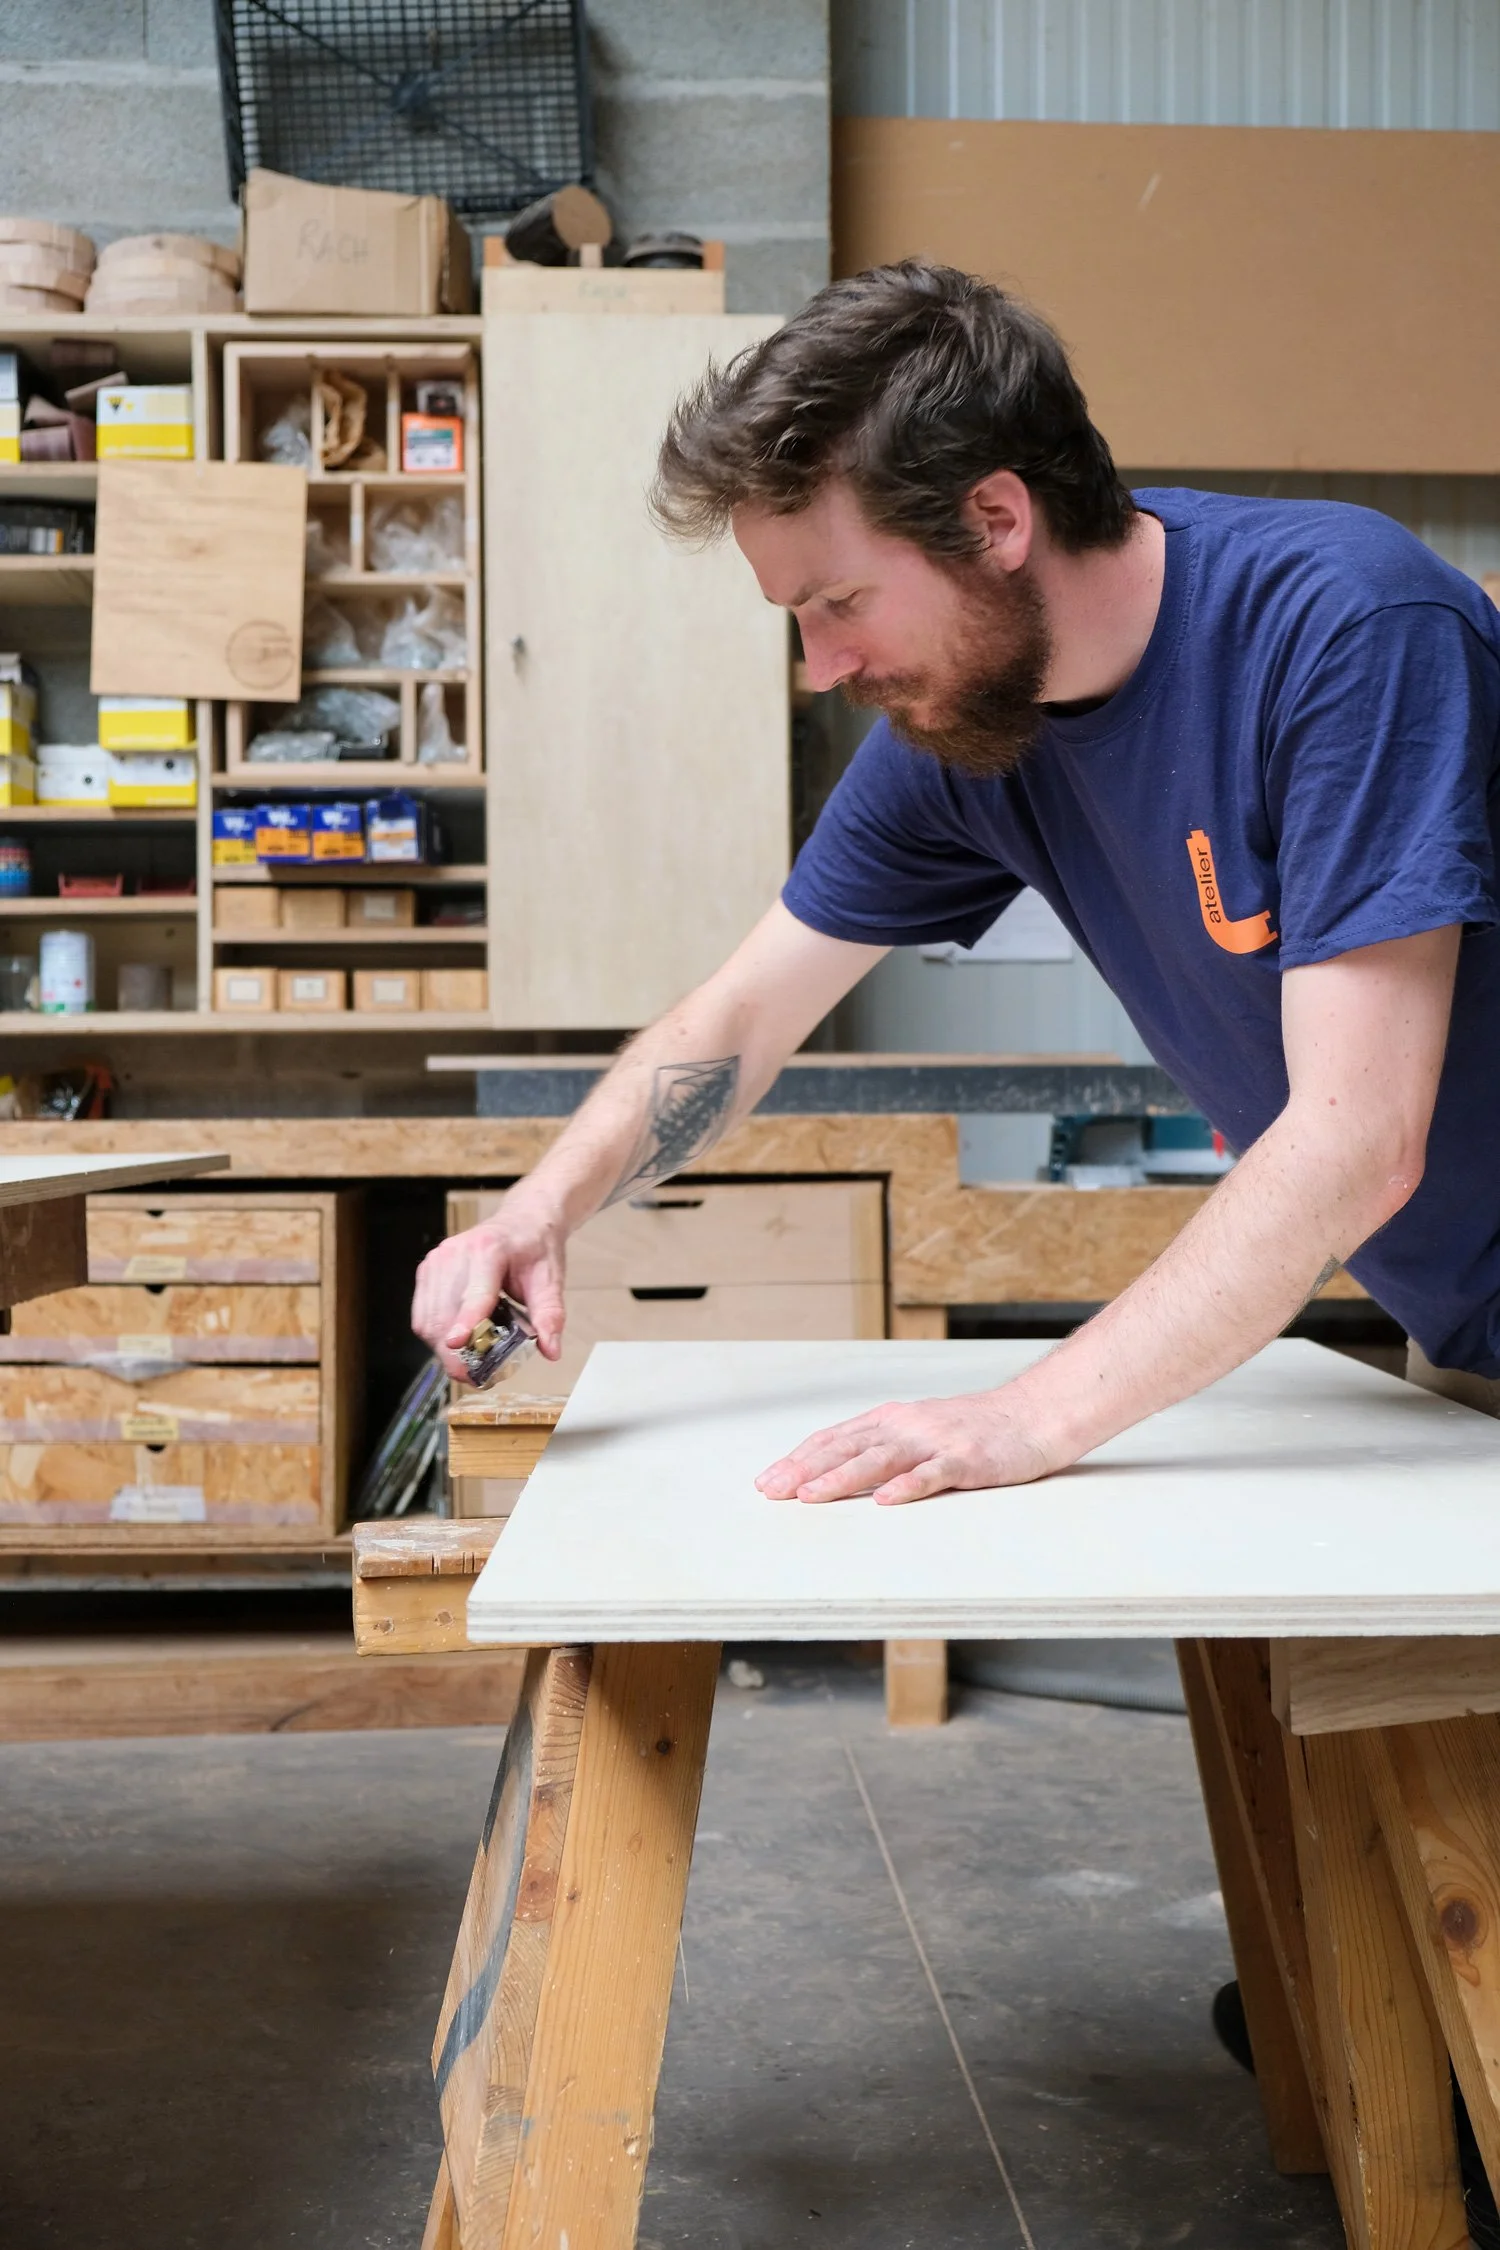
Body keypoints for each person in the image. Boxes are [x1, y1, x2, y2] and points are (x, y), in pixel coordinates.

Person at [413, 257, 1500, 1498]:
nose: (822, 664)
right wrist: (535, 1213)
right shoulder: (967, 733)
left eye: (839, 601)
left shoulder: (1347, 629)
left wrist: (1029, 1418)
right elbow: (743, 1017)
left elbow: (1359, 1138)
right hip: (1466, 1337)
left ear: (994, 520)